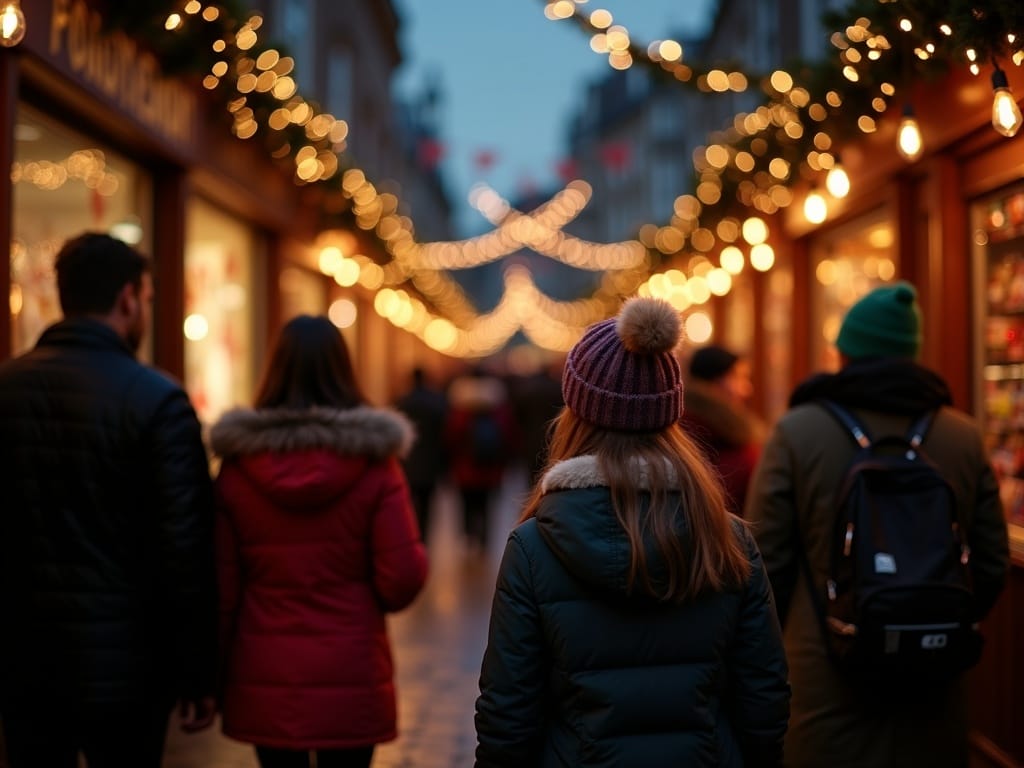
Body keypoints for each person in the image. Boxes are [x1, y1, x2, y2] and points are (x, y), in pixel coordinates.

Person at [475, 297, 790, 767]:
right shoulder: (726, 538)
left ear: (576, 412)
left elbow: (509, 711)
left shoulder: (534, 547)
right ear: (670, 414)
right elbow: (763, 696)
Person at [745, 281, 1010, 768]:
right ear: (911, 354)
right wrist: (931, 616)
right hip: (934, 679)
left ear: (845, 353)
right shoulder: (962, 434)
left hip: (825, 677)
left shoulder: (798, 431)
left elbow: (765, 563)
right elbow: (991, 562)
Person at [0, 232, 217, 768]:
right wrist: (198, 672)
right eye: (145, 299)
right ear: (127, 297)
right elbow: (185, 550)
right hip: (128, 670)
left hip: (20, 658)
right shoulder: (157, 400)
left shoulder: (6, 387)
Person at [210, 314, 429, 768]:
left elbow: (222, 588)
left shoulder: (237, 468)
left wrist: (210, 670)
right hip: (350, 668)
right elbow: (401, 580)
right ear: (343, 370)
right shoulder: (374, 464)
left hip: (264, 667)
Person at [682, 344, 765, 515]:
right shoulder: (730, 437)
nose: (747, 389)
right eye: (738, 377)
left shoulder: (679, 430)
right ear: (716, 382)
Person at [444, 365, 518, 553]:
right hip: (491, 469)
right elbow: (508, 436)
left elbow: (451, 437)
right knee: (486, 505)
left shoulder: (460, 409)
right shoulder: (498, 408)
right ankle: (485, 538)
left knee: (467, 504)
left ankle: (469, 537)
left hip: (464, 469)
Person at [394, 366, 449, 544]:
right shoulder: (436, 402)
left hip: (408, 462)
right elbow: (444, 433)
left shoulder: (402, 402)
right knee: (427, 504)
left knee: (408, 503)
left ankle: (412, 534)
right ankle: (423, 538)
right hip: (430, 462)